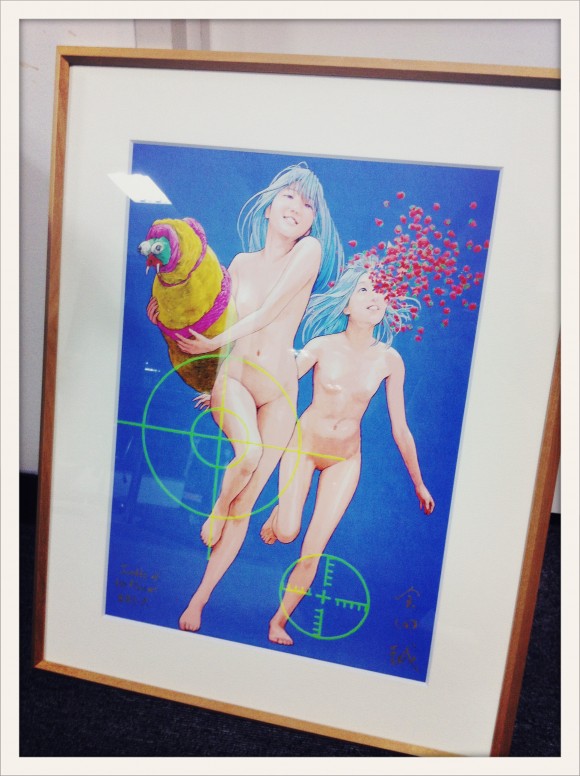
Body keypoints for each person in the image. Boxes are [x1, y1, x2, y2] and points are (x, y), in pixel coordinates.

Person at [146, 162, 344, 632]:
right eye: (289, 196)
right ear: (270, 204)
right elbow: (215, 324)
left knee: (247, 500)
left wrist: (214, 342)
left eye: (308, 204)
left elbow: (270, 311)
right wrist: (168, 322)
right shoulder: (237, 264)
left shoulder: (309, 251)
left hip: (279, 392)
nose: (297, 207)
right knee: (248, 454)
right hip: (234, 378)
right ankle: (217, 510)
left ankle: (198, 601)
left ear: (313, 221)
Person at [258, 263, 435, 646]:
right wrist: (226, 392)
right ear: (346, 305)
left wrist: (419, 483)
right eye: (364, 289)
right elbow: (278, 382)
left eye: (380, 290)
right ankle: (283, 512)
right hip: (304, 446)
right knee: (287, 533)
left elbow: (400, 429)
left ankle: (278, 622)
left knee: (312, 550)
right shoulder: (322, 346)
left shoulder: (390, 360)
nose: (375, 297)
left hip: (346, 459)